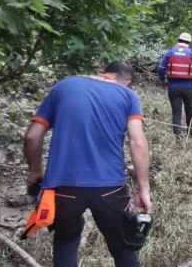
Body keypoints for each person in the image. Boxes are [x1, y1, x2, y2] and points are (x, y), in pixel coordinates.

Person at [23, 62, 152, 267]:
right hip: (110, 188)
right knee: (122, 247)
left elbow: (32, 137)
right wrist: (144, 188)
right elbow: (137, 142)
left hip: (62, 187)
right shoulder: (127, 95)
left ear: (104, 73)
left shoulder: (64, 86)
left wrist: (36, 172)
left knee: (66, 240)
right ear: (127, 82)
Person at [158, 32, 192, 138]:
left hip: (173, 87)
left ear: (178, 40)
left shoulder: (169, 52)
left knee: (176, 112)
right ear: (189, 42)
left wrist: (162, 81)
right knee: (189, 110)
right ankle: (190, 132)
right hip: (189, 88)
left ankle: (178, 135)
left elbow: (161, 68)